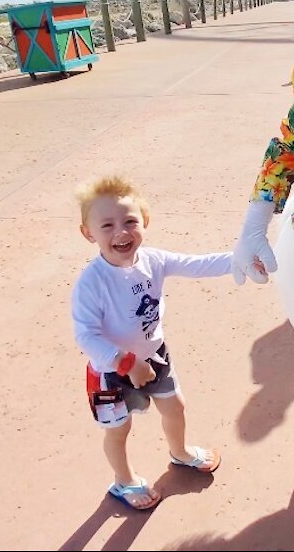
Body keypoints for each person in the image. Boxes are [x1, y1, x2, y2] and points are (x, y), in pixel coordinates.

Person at [71, 175, 230, 510]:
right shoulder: (92, 282)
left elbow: (198, 264)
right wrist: (125, 363)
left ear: (145, 221)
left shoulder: (153, 260)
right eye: (107, 225)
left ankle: (181, 453)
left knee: (176, 408)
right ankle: (123, 481)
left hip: (155, 355)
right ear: (88, 233)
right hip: (110, 373)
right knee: (119, 430)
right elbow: (86, 334)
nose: (121, 232)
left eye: (130, 221)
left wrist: (241, 259)